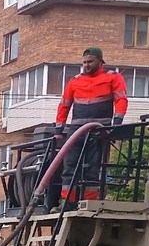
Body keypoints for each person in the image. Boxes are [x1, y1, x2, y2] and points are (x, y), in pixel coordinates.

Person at [54, 47, 128, 202]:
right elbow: (64, 105)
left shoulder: (113, 77)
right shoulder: (75, 81)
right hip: (76, 130)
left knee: (94, 168)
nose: (86, 65)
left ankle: (89, 201)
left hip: (100, 130)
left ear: (100, 61)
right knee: (69, 165)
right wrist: (59, 129)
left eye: (90, 62)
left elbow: (121, 100)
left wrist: (116, 124)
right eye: (84, 62)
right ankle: (67, 201)